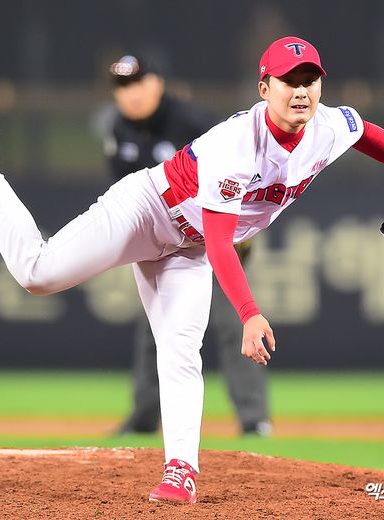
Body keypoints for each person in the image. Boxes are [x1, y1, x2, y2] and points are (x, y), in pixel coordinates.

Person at [0, 35, 384, 505]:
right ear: (264, 87)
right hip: (148, 210)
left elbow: (365, 131)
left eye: (310, 80)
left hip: (188, 246)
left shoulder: (328, 124)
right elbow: (221, 239)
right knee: (37, 274)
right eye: (288, 81)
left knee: (180, 350)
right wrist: (249, 313)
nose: (301, 91)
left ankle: (181, 470)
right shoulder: (237, 145)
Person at [104, 54, 271, 436]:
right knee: (154, 327)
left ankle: (254, 419)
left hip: (217, 238)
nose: (130, 94)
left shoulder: (193, 121)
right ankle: (144, 418)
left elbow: (245, 172)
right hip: (164, 242)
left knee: (233, 322)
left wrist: (240, 231)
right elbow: (125, 196)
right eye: (122, 87)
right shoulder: (118, 130)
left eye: (137, 83)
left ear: (158, 83)